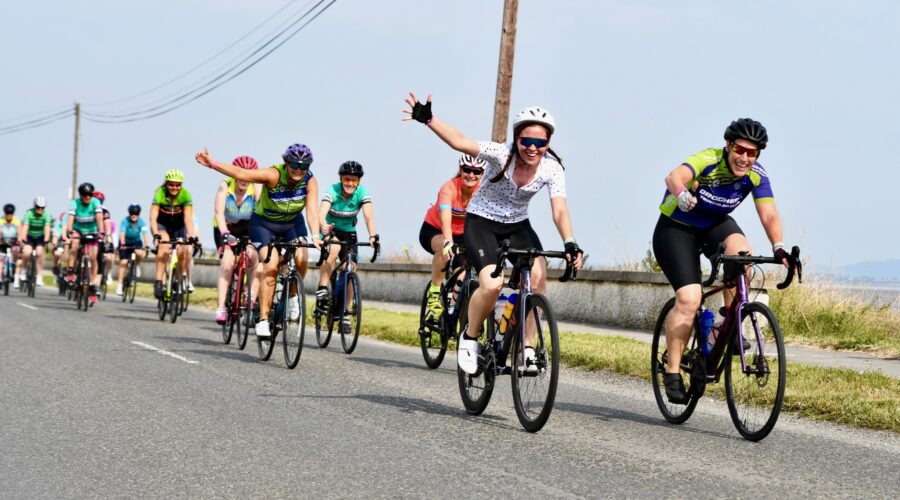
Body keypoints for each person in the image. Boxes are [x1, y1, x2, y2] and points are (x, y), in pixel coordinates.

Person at [403, 93, 584, 374]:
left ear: (548, 143)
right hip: (482, 223)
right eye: (527, 141)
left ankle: (526, 348)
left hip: (517, 226)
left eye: (541, 143)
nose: (533, 148)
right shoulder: (502, 155)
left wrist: (570, 242)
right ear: (516, 138)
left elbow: (559, 209)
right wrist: (429, 120)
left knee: (537, 279)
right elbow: (461, 141)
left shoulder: (552, 168)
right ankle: (470, 336)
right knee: (492, 285)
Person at [652, 118, 791, 404]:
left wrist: (779, 247)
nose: (744, 158)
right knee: (690, 299)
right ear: (728, 146)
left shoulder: (756, 175)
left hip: (713, 224)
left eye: (751, 153)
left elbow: (769, 214)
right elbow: (673, 177)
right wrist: (681, 194)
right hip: (676, 227)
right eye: (740, 150)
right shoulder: (708, 160)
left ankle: (724, 329)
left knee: (743, 257)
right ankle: (673, 371)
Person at [195, 144, 322, 339]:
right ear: (286, 163)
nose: (299, 169)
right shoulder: (273, 175)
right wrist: (212, 164)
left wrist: (315, 235)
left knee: (302, 257)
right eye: (295, 164)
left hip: (292, 224)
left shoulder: (309, 181)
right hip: (264, 224)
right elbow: (242, 173)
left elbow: (312, 212)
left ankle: (293, 296)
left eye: (304, 166)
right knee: (270, 265)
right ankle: (263, 320)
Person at [419, 154, 484, 322]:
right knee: (443, 247)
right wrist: (448, 241)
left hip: (462, 235)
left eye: (477, 171)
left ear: (483, 173)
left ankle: (453, 305)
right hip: (435, 229)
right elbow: (445, 218)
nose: (471, 175)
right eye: (467, 170)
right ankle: (434, 293)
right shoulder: (448, 188)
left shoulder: (482, 193)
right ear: (461, 170)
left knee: (463, 271)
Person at [315, 161, 379, 333]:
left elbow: (368, 217)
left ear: (359, 182)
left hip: (349, 232)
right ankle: (322, 288)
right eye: (347, 179)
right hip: (330, 228)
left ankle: (344, 312)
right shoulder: (333, 190)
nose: (350, 183)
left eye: (354, 180)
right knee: (334, 249)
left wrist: (373, 236)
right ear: (341, 179)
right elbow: (321, 214)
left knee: (350, 268)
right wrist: (323, 226)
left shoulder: (362, 193)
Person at [213, 155, 260, 325]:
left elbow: (261, 210)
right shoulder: (224, 186)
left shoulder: (256, 187)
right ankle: (221, 307)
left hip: (247, 229)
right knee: (227, 264)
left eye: (248, 174)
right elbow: (218, 213)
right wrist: (225, 233)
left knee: (254, 258)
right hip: (226, 227)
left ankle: (249, 296)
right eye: (240, 174)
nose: (244, 179)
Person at [149, 170, 196, 299]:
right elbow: (153, 218)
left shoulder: (185, 195)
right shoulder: (160, 194)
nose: (174, 187)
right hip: (162, 225)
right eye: (171, 184)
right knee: (164, 245)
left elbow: (188, 219)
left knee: (183, 251)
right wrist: (156, 234)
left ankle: (178, 280)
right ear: (166, 184)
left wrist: (191, 235)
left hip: (179, 226)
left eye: (177, 185)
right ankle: (158, 282)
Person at [64, 183, 105, 303]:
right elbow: (70, 219)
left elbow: (99, 217)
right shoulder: (74, 203)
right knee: (75, 246)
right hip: (78, 229)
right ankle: (71, 269)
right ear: (80, 195)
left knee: (93, 257)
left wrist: (101, 231)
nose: (87, 197)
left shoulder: (95, 202)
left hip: (92, 230)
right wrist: (69, 231)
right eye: (85, 195)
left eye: (89, 195)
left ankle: (92, 284)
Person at [116, 204, 151, 295]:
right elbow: (122, 233)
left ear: (138, 214)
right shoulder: (125, 221)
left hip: (136, 241)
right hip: (125, 242)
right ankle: (119, 286)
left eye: (136, 213)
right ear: (129, 214)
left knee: (139, 252)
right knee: (123, 262)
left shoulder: (141, 222)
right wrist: (123, 243)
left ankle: (136, 265)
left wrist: (147, 245)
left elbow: (145, 234)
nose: (134, 215)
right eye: (132, 213)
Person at [19, 197, 53, 287]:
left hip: (40, 237)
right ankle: (24, 269)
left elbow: (47, 228)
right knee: (26, 253)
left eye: (42, 208)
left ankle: (39, 276)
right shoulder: (29, 213)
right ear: (34, 207)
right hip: (29, 236)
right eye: (38, 207)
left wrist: (46, 239)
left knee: (39, 253)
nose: (40, 210)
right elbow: (25, 226)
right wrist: (23, 239)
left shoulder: (46, 215)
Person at [93, 191, 116, 286]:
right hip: (90, 233)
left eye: (100, 201)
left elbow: (107, 225)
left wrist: (108, 236)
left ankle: (108, 273)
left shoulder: (105, 211)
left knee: (108, 257)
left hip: (102, 234)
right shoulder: (89, 209)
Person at [1, 204, 21, 287]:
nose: (9, 215)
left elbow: (20, 232)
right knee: (1, 260)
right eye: (7, 213)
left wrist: (19, 240)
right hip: (2, 242)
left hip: (13, 242)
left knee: (16, 250)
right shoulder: (1, 220)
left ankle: (13, 265)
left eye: (11, 213)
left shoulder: (16, 221)